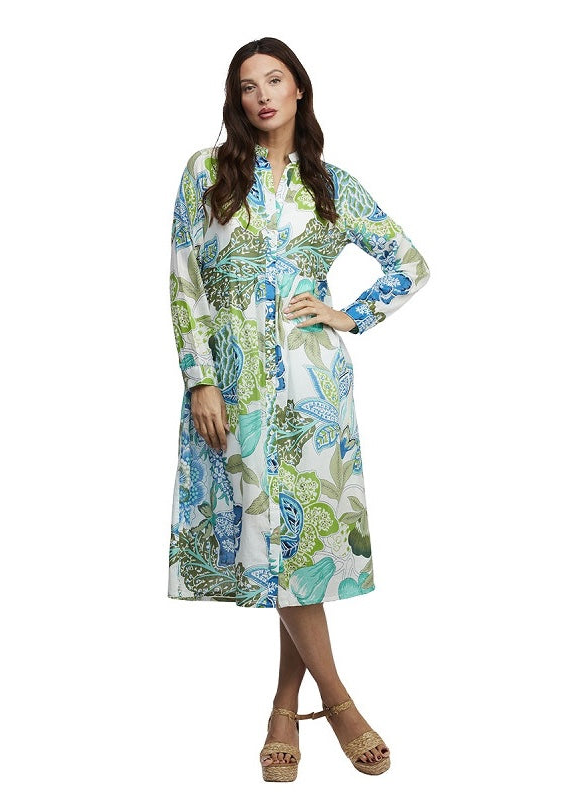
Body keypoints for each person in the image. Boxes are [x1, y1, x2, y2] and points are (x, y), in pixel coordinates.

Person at [168, 37, 430, 782]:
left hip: (315, 392)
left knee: (298, 552)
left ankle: (285, 709)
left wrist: (350, 315)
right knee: (271, 545)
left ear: (299, 90)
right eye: (247, 85)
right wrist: (200, 379)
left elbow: (409, 263)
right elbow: (184, 279)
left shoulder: (332, 186)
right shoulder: (207, 173)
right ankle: (341, 704)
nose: (262, 95)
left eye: (274, 80)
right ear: (236, 100)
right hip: (237, 388)